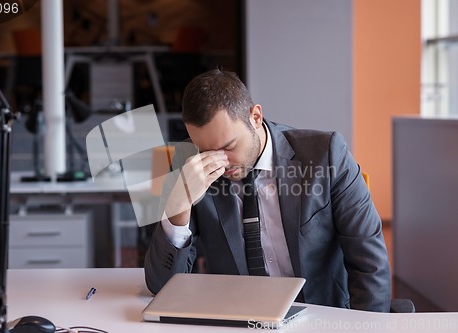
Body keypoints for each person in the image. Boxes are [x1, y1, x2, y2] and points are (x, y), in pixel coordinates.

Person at [144, 69, 391, 312]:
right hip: (237, 320)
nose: (221, 162)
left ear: (256, 117)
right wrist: (180, 205)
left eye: (229, 146)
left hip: (320, 316)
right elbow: (162, 287)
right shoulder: (191, 167)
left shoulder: (325, 155)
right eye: (205, 151)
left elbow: (369, 264)